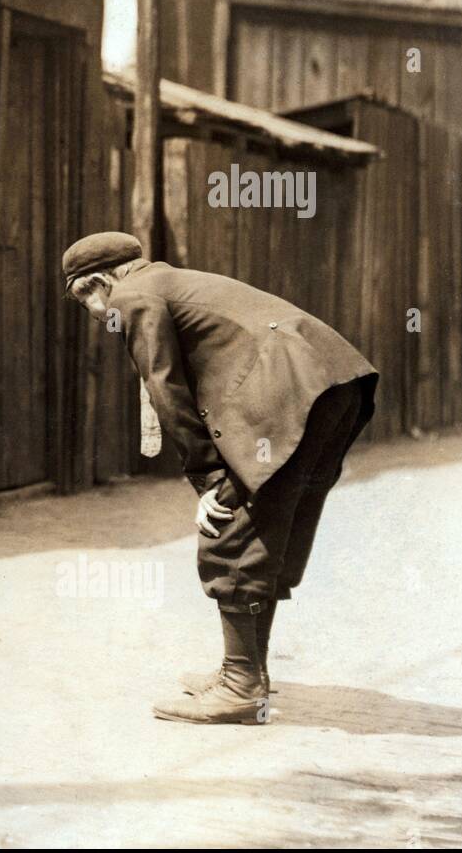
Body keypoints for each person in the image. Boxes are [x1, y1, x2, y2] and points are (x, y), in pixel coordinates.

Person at [63, 232, 377, 725]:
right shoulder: (169, 281)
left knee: (229, 525)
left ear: (97, 283)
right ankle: (247, 672)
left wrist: (208, 477)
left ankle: (241, 685)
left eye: (85, 301)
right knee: (268, 526)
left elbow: (165, 387)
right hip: (334, 385)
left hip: (288, 393)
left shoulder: (131, 297)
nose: (96, 315)